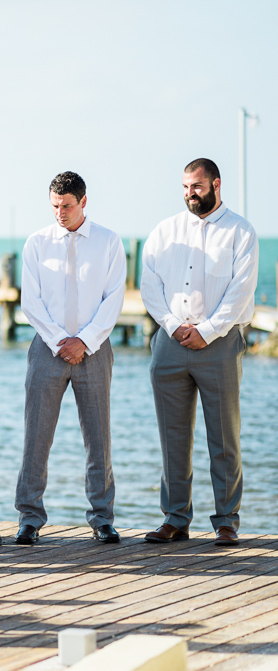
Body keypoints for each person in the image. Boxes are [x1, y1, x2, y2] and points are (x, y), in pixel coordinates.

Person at [141, 158, 259, 546]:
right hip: (170, 344)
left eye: (197, 186)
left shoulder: (241, 232)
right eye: (186, 187)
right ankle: (175, 520)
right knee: (172, 436)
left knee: (224, 438)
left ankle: (226, 521)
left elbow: (240, 291)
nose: (191, 194)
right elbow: (150, 287)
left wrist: (207, 331)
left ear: (216, 185)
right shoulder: (165, 232)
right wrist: (174, 327)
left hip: (220, 345)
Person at [14, 172, 127, 545]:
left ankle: (102, 518)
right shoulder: (37, 243)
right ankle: (29, 518)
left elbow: (113, 300)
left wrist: (85, 341)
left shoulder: (109, 243)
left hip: (94, 351)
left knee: (99, 438)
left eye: (66, 206)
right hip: (48, 349)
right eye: (54, 206)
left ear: (83, 202)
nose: (59, 213)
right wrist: (60, 340)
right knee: (36, 436)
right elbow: (30, 301)